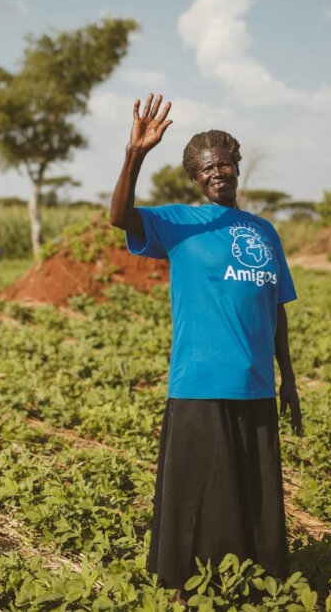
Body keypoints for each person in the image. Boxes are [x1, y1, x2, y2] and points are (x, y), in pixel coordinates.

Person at [109, 93, 302, 590]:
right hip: (198, 382)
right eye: (206, 168)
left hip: (256, 382)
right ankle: (189, 586)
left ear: (237, 168)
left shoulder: (264, 232)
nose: (217, 172)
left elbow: (276, 307)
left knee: (252, 496)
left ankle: (255, 583)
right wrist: (135, 154)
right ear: (196, 178)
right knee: (199, 495)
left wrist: (289, 380)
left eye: (224, 164)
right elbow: (119, 216)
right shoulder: (179, 223)